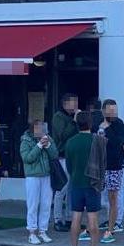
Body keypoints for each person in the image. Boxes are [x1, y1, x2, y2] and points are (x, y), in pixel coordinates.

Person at [66, 111, 101, 246]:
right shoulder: (97, 141)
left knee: (76, 216)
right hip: (92, 183)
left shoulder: (71, 142)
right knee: (92, 218)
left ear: (77, 124)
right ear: (91, 123)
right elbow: (101, 164)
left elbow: (69, 165)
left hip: (76, 182)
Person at [20, 120, 58, 245]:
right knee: (33, 204)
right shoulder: (25, 141)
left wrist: (48, 146)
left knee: (46, 204)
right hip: (32, 176)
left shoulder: (48, 138)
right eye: (39, 129)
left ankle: (43, 231)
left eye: (43, 129)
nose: (42, 132)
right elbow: (27, 158)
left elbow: (55, 155)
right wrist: (39, 146)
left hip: (46, 175)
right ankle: (32, 232)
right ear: (33, 130)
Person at [99, 99, 124, 243]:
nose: (113, 113)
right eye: (110, 110)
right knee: (105, 197)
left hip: (115, 166)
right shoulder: (99, 123)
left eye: (115, 110)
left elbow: (119, 142)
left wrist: (107, 129)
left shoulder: (119, 125)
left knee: (115, 196)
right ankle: (109, 219)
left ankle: (117, 222)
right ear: (104, 111)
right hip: (101, 166)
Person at [51, 93, 80, 232]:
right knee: (61, 188)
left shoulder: (72, 118)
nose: (75, 106)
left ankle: (69, 218)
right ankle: (57, 219)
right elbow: (63, 134)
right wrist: (74, 121)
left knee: (71, 189)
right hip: (62, 157)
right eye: (73, 103)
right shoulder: (58, 117)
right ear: (65, 104)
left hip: (73, 156)